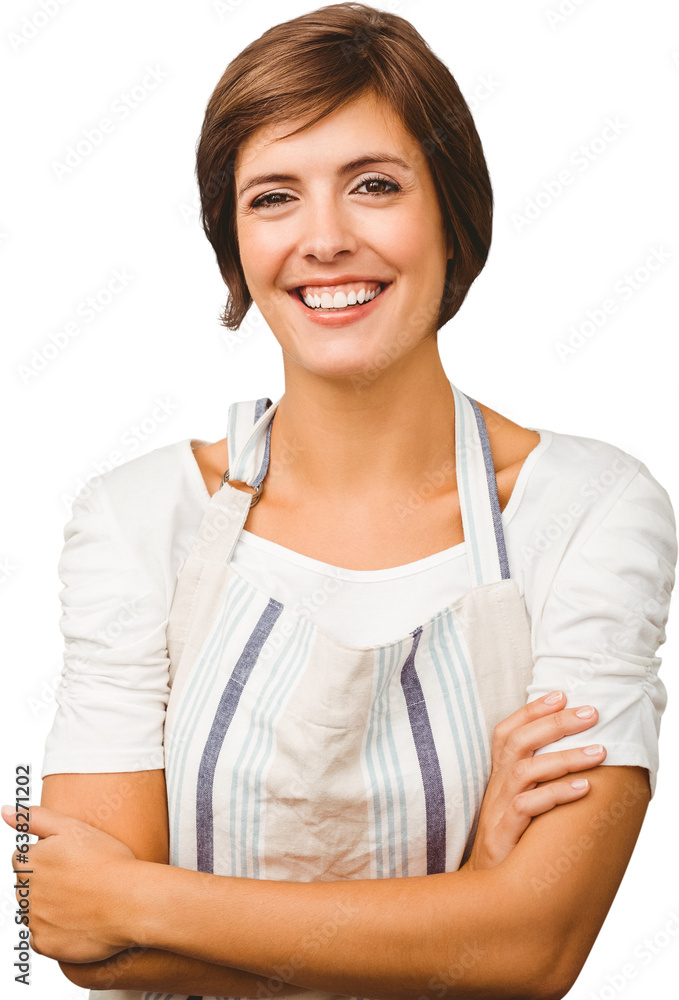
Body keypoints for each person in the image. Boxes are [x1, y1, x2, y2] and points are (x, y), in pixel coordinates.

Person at [5, 4, 676, 998]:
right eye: (273, 197)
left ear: (452, 216)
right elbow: (81, 936)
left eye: (374, 185)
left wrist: (142, 898)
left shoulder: (590, 511)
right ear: (234, 243)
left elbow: (536, 948)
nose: (324, 239)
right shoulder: (136, 519)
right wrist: (472, 899)